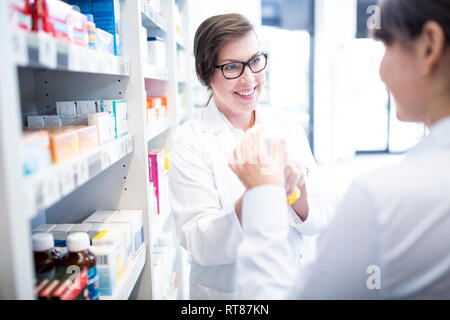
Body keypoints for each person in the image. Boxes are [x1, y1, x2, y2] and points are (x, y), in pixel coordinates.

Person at [230, 0, 450, 299]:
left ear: (429, 46)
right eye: (232, 66)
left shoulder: (382, 199)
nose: (381, 72)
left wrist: (264, 194)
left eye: (386, 47)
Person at [169, 13, 334, 299]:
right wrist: (257, 194)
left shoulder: (286, 125)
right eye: (232, 66)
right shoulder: (190, 141)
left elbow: (322, 218)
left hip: (292, 284)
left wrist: (299, 192)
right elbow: (199, 241)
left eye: (255, 61)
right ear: (204, 72)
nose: (249, 78)